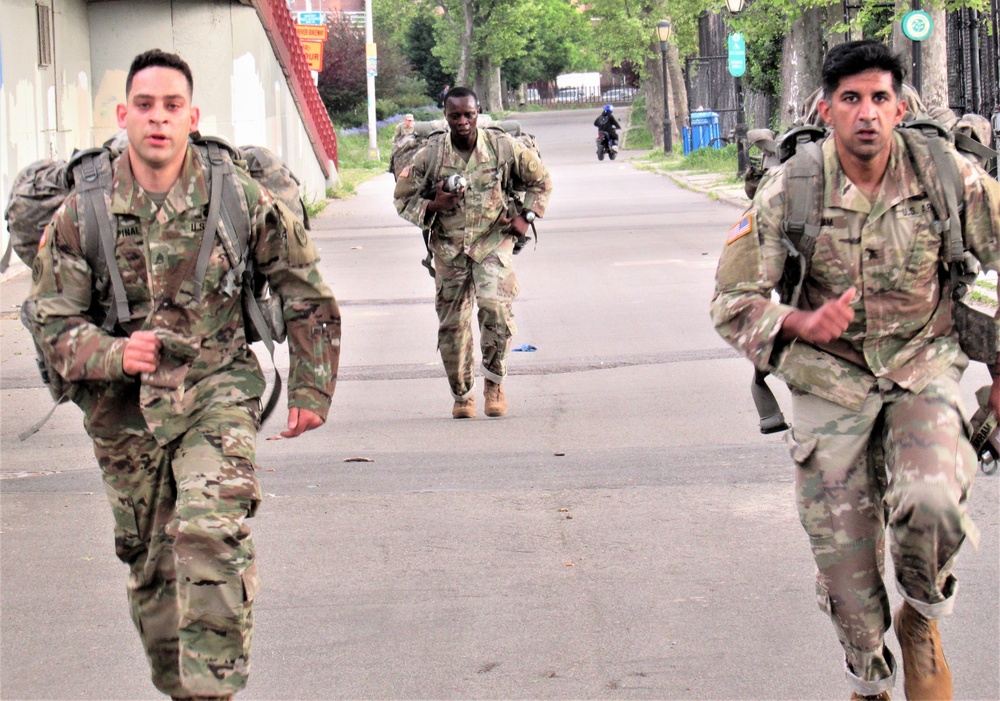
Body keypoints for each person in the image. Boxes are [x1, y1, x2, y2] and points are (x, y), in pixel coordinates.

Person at [26, 49, 341, 700]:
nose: (159, 120)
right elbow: (52, 322)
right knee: (151, 568)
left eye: (172, 107)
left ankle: (213, 694)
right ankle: (183, 687)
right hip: (123, 411)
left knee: (208, 536)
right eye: (145, 106)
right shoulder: (84, 211)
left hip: (216, 390)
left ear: (192, 116)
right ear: (124, 116)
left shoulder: (234, 195)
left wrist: (311, 387)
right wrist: (116, 354)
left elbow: (304, 286)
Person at [711, 40, 1000, 701]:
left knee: (933, 506)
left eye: (878, 99)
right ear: (826, 108)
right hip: (829, 379)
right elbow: (730, 303)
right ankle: (868, 679)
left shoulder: (947, 175)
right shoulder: (793, 189)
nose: (866, 113)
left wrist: (999, 365)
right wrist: (796, 322)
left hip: (921, 365)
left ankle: (922, 617)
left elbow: (998, 263)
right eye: (851, 99)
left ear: (899, 108)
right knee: (846, 579)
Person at [393, 87, 552, 419]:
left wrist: (527, 217)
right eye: (455, 116)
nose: (463, 122)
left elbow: (541, 181)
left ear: (478, 112)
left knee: (495, 308)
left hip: (492, 241)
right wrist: (433, 204)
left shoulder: (502, 147)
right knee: (453, 326)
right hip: (449, 250)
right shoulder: (430, 156)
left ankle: (494, 381)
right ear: (446, 116)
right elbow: (403, 199)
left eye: (469, 114)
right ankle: (462, 394)